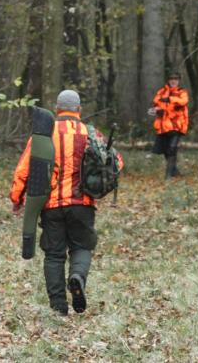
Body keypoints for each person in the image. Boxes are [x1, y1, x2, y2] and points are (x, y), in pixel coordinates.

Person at [9, 90, 123, 316]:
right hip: (83, 203)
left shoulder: (44, 134)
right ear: (79, 110)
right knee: (82, 246)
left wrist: (17, 198)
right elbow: (117, 162)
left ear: (57, 108)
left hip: (50, 204)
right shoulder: (91, 134)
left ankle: (59, 307)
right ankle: (77, 277)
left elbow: (24, 170)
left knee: (53, 254)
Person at [150, 72, 189, 179]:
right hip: (163, 126)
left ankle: (168, 176)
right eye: (171, 78)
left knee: (172, 149)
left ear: (179, 80)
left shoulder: (182, 92)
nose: (173, 81)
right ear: (168, 80)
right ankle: (175, 171)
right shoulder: (161, 91)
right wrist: (156, 110)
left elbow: (183, 102)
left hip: (177, 126)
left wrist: (170, 99)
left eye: (176, 79)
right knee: (165, 151)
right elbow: (155, 103)